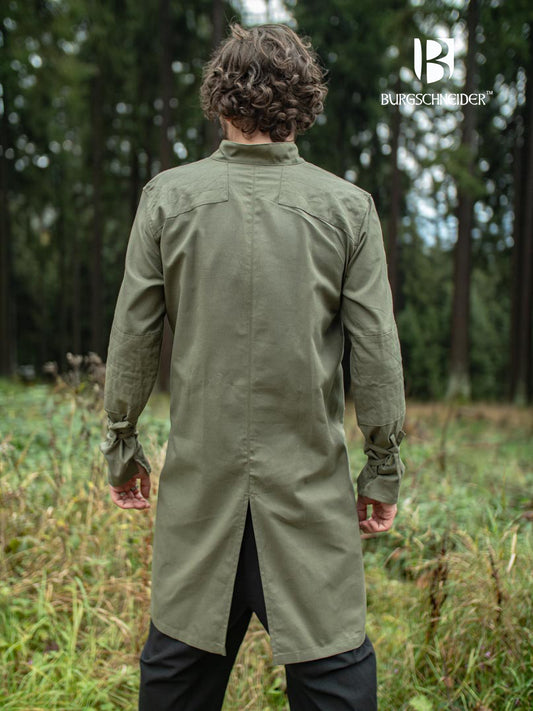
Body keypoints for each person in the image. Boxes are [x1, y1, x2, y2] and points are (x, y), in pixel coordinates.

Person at [99, 21, 407, 711]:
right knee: (337, 681)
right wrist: (382, 469)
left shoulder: (167, 198)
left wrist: (122, 447)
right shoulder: (348, 209)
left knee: (175, 683)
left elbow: (132, 338)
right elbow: (377, 354)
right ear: (302, 102)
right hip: (309, 500)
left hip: (199, 499)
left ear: (219, 98)